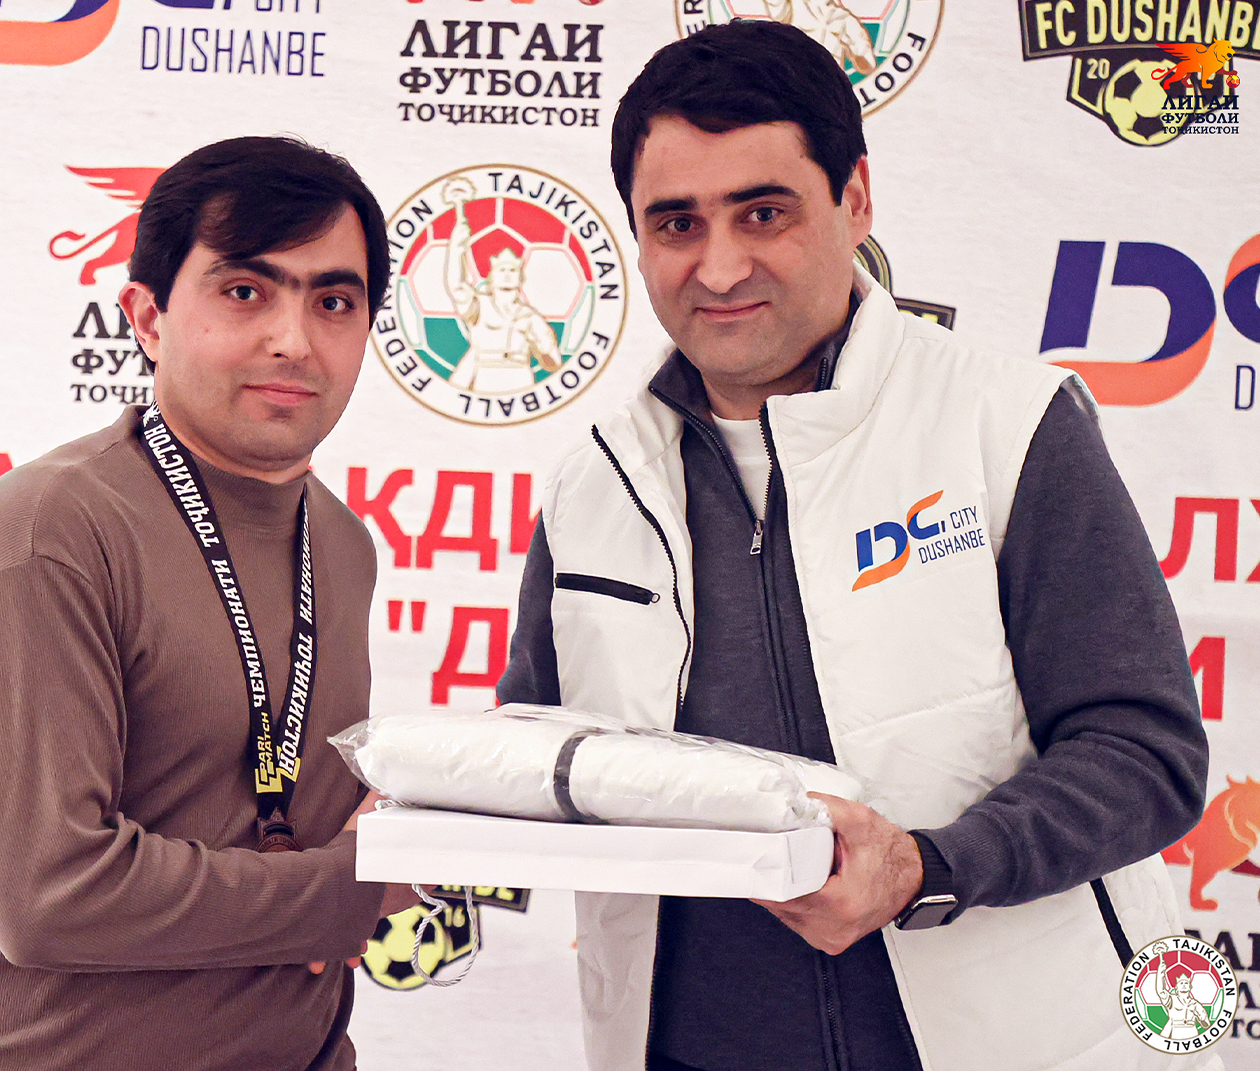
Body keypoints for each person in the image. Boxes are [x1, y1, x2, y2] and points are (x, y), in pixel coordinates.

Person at [497, 21, 1210, 1071]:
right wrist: (420, 808)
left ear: (857, 200)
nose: (720, 265)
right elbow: (541, 755)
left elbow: (1145, 754)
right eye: (677, 223)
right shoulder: (592, 482)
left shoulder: (1007, 423)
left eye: (764, 212)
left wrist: (928, 867)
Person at [0, 136, 414, 1071]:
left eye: (334, 302)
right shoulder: (50, 529)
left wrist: (404, 821)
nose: (294, 339)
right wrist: (345, 890)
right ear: (147, 317)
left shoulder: (342, 544)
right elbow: (49, 896)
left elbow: (276, 808)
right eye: (245, 291)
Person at [442, 176, 561, 393]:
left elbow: (554, 362)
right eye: (502, 270)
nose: (507, 275)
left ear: (520, 277)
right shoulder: (479, 307)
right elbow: (457, 286)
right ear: (491, 276)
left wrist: (541, 344)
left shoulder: (530, 316)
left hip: (521, 381)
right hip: (484, 378)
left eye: (512, 270)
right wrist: (456, 247)